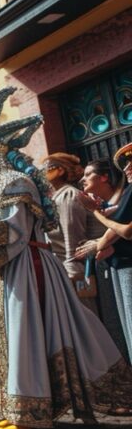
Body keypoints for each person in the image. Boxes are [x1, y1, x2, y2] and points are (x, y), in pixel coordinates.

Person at [0, 86, 132, 429]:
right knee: (10, 336)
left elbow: (15, 231)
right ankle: (15, 406)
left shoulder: (16, 182)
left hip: (27, 267)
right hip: (13, 267)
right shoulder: (7, 182)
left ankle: (29, 411)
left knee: (26, 335)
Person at [79, 144, 132, 364]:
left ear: (103, 178)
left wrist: (99, 240)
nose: (127, 168)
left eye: (131, 163)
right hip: (117, 264)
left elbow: (125, 230)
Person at [44, 153, 100, 313]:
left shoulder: (68, 195)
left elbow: (73, 239)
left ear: (60, 171)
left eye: (45, 169)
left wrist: (73, 276)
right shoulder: (56, 197)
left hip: (76, 272)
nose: (41, 173)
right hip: (64, 271)